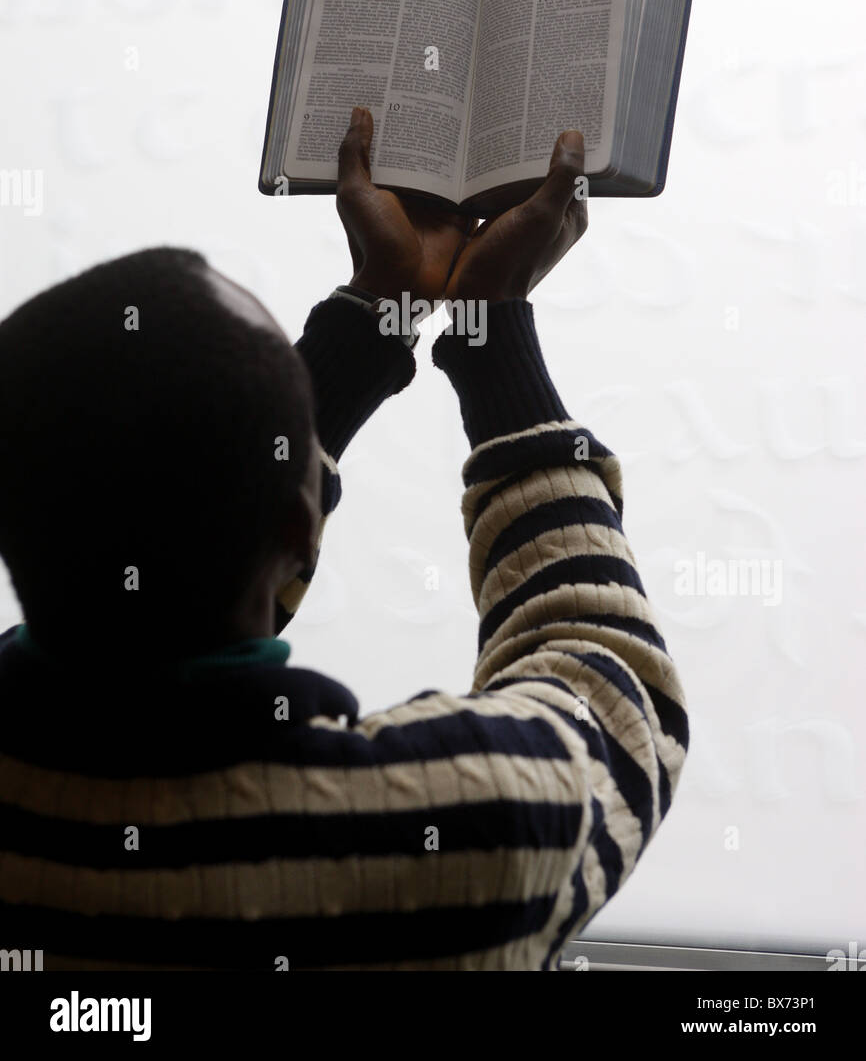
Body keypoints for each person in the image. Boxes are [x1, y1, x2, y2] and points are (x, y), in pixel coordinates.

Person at [0, 108, 688, 971]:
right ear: (299, 525)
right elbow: (604, 678)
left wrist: (377, 315)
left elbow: (198, 537)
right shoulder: (461, 829)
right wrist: (489, 330)